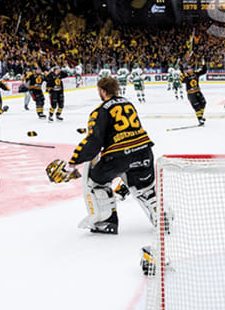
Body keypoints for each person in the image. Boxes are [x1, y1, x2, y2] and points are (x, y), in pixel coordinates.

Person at [66, 76, 157, 235]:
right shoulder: (128, 104)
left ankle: (106, 220)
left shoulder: (100, 111)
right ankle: (160, 216)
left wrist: (74, 161)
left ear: (102, 91)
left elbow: (94, 141)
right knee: (144, 187)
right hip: (144, 151)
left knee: (95, 181)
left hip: (119, 156)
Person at [181, 61, 208, 125]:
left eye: (190, 69)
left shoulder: (195, 73)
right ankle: (200, 119)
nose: (189, 70)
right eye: (188, 69)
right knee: (197, 106)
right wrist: (183, 74)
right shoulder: (185, 76)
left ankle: (200, 116)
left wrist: (204, 65)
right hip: (191, 94)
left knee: (203, 103)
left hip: (198, 91)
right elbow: (182, 81)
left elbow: (203, 71)